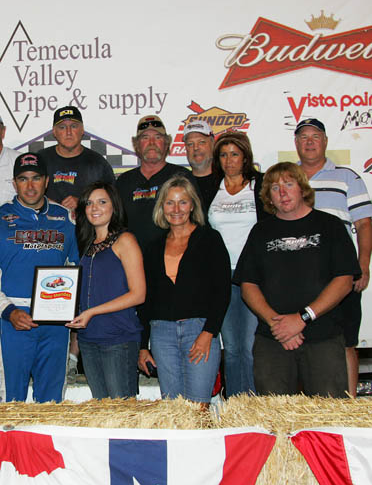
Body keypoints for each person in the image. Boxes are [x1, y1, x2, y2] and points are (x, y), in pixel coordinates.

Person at [234, 162, 359, 397]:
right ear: (269, 198)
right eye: (275, 188)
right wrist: (277, 325)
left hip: (323, 336)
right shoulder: (260, 232)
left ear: (302, 188)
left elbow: (344, 281)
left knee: (328, 413)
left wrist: (302, 318)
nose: (282, 192)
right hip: (273, 338)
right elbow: (248, 285)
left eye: (289, 184)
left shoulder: (330, 226)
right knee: (274, 414)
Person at [0, 152, 79, 402]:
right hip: (12, 320)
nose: (30, 186)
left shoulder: (67, 218)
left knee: (52, 402)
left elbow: (76, 267)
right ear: (14, 183)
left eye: (36, 178)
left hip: (55, 320)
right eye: (23, 179)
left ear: (46, 181)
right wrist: (8, 312)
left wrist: (73, 308)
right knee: (12, 402)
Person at [294, 118, 372, 398]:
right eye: (304, 137)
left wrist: (363, 265)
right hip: (298, 277)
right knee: (299, 341)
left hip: (341, 272)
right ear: (296, 143)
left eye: (315, 136)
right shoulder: (287, 178)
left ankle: (349, 405)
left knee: (347, 341)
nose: (310, 142)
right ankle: (304, 408)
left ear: (325, 141)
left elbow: (364, 223)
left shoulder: (347, 177)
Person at [38, 105, 115, 383]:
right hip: (47, 244)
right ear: (54, 131)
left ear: (82, 130)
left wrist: (82, 203)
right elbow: (27, 193)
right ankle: (50, 359)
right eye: (62, 127)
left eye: (73, 126)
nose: (68, 131)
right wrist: (51, 204)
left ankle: (73, 358)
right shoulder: (41, 159)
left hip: (88, 242)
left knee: (84, 298)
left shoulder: (97, 162)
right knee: (51, 297)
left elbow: (112, 200)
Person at [139, 176, 231, 404]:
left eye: (183, 202)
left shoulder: (210, 239)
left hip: (199, 330)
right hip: (162, 334)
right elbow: (147, 301)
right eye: (170, 202)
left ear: (192, 205)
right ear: (162, 207)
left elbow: (222, 291)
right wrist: (142, 346)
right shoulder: (153, 247)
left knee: (198, 407)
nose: (176, 209)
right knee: (173, 409)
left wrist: (209, 333)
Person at [66, 182, 145, 399]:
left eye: (102, 202)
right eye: (89, 203)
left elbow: (139, 294)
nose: (95, 208)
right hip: (89, 339)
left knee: (121, 410)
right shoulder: (86, 244)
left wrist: (92, 312)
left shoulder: (125, 241)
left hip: (118, 338)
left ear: (114, 206)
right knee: (102, 409)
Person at [207, 131, 269, 397]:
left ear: (245, 157)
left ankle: (252, 406)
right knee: (231, 347)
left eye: (234, 154)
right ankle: (235, 406)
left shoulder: (261, 185)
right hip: (222, 277)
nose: (229, 160)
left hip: (253, 276)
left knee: (249, 346)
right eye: (223, 155)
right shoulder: (211, 188)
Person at [116, 115, 197, 252]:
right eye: (145, 138)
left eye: (158, 137)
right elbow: (115, 225)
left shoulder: (182, 176)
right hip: (132, 259)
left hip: (175, 257)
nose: (152, 143)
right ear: (136, 144)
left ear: (166, 143)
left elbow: (198, 220)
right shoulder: (123, 181)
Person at [184, 121, 219, 219]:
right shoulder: (181, 184)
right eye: (190, 144)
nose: (196, 148)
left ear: (213, 144)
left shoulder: (227, 181)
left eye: (201, 142)